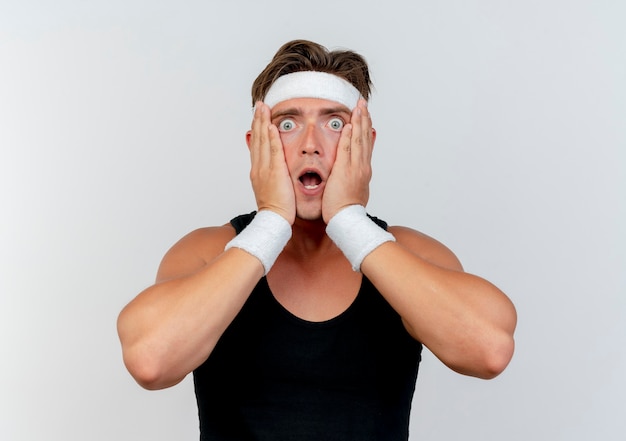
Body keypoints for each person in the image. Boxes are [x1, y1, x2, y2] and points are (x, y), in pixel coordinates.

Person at [117, 39, 517, 440]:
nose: (311, 144)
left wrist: (350, 222)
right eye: (287, 124)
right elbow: (151, 361)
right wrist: (272, 222)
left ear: (366, 144)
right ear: (257, 146)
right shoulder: (208, 252)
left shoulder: (411, 253)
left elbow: (489, 350)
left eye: (335, 123)